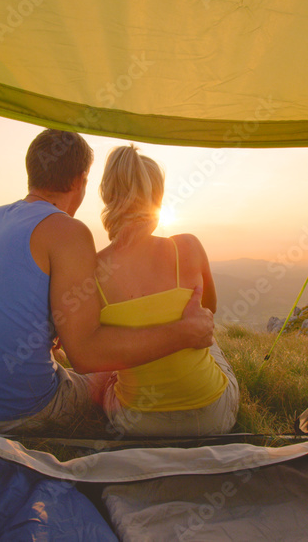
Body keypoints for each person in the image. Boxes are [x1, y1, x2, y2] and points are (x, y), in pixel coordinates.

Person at [0, 129, 215, 434]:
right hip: (18, 412)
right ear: (81, 180)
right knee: (107, 374)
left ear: (32, 172)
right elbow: (85, 357)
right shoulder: (68, 231)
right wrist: (185, 332)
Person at [95, 145, 239, 437]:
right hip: (212, 418)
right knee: (208, 337)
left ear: (108, 197)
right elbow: (208, 309)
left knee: (111, 370)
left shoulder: (92, 270)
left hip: (136, 424)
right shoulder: (187, 246)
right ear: (157, 199)